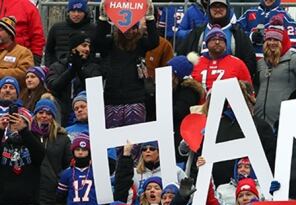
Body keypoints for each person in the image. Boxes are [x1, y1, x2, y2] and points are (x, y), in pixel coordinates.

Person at [93, 0, 159, 128]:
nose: (130, 32)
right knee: (114, 142)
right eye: (127, 29)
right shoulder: (111, 43)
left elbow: (154, 41)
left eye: (134, 28)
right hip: (112, 99)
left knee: (134, 142)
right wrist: (103, 19)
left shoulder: (140, 44)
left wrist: (150, 18)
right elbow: (97, 42)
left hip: (135, 99)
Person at [0, 107, 45, 205]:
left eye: (20, 122)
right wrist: (1, 130)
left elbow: (40, 154)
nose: (16, 126)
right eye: (13, 123)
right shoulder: (3, 146)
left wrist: (24, 131)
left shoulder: (33, 144)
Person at [175, 0, 256, 78]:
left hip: (230, 84)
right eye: (214, 7)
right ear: (208, 9)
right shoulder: (197, 33)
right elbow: (182, 56)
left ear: (227, 9)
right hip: (200, 84)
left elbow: (249, 63)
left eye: (221, 7)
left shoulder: (237, 34)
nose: (217, 9)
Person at [253, 26, 296, 127]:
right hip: (259, 119)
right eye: (269, 39)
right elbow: (256, 85)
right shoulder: (261, 63)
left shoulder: (294, 59)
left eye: (276, 39)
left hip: (283, 118)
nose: (272, 43)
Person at [31, 99, 72, 205]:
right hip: (32, 193)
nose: (44, 116)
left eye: (48, 113)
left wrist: (59, 180)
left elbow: (69, 165)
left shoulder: (63, 138)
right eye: (41, 112)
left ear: (53, 116)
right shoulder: (28, 136)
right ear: (35, 114)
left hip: (53, 193)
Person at [191, 26, 252, 92]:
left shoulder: (238, 63)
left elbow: (249, 91)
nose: (217, 42)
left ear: (226, 44)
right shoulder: (195, 62)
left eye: (221, 40)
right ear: (206, 44)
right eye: (213, 39)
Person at [44, 0, 96, 67]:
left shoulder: (93, 29)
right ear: (68, 12)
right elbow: (49, 51)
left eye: (79, 11)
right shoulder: (56, 28)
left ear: (85, 13)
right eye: (73, 11)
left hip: (86, 68)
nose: (76, 14)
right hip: (60, 68)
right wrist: (51, 67)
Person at [0, 17, 33, 84]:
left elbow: (25, 73)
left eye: (0, 30)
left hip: (15, 93)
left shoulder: (23, 52)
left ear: (10, 34)